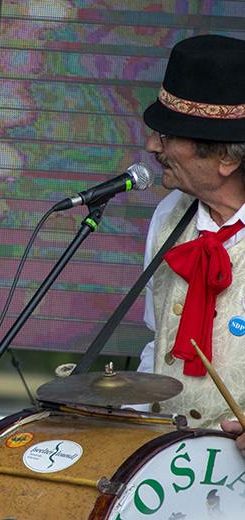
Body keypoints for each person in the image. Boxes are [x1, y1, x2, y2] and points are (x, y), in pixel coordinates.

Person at [136, 35, 245, 453]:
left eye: (167, 136)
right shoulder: (167, 217)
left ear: (226, 159)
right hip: (167, 473)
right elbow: (158, 340)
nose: (151, 147)